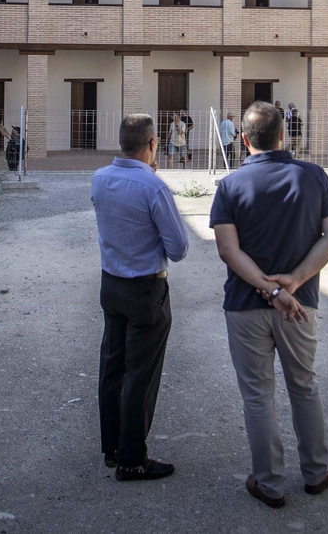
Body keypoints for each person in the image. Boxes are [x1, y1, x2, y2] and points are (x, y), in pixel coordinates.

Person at [210, 101, 328, 508]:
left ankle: (269, 483)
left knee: (257, 395)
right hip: (300, 306)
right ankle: (317, 473)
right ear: (283, 136)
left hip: (245, 306)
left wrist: (270, 291)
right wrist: (295, 282)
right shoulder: (314, 176)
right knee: (304, 386)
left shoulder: (230, 186)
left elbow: (228, 251)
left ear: (244, 139)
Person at [91, 114, 189, 481]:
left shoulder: (100, 178)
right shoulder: (153, 187)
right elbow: (178, 248)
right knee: (141, 374)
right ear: (152, 144)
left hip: (110, 284)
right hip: (145, 289)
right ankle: (133, 459)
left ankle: (113, 449)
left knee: (112, 367)